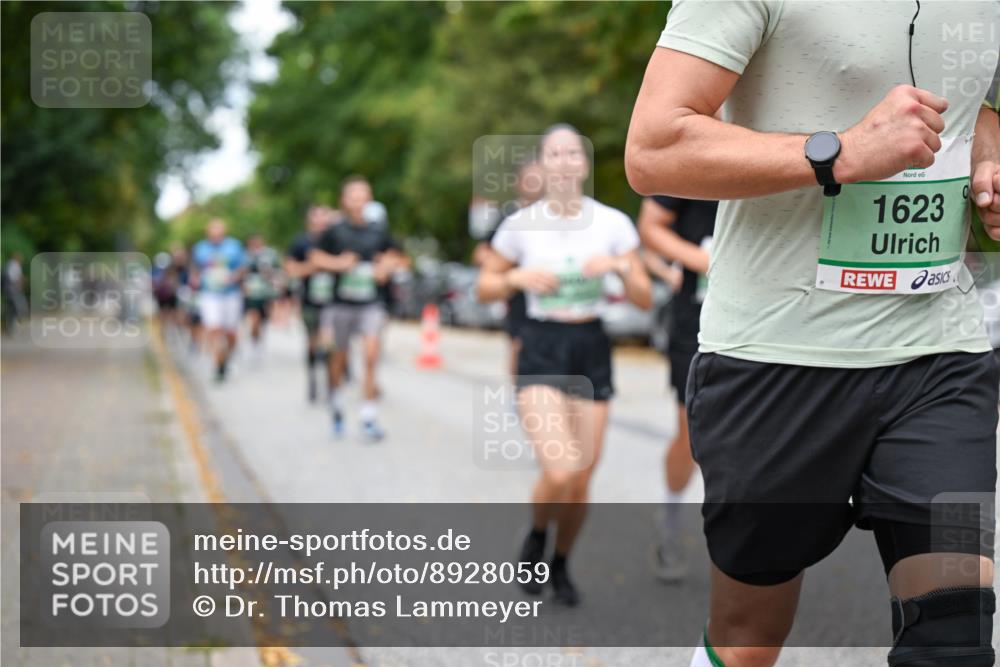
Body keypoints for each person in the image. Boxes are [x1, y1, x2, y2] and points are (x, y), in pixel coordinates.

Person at [626, 2, 1000, 665]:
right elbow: (654, 147)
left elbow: (976, 104)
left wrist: (990, 159)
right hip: (775, 354)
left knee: (955, 634)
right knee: (749, 639)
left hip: (941, 351)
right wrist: (842, 151)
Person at [478, 125, 652, 605]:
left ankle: (561, 561)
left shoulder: (613, 224)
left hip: (591, 344)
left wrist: (618, 267)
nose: (564, 162)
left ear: (584, 163)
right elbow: (484, 287)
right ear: (543, 164)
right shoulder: (519, 226)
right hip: (541, 345)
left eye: (572, 153)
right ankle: (537, 534)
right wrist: (514, 276)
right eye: (554, 154)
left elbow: (642, 295)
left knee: (580, 480)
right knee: (560, 469)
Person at [638, 194, 717, 582]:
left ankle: (740, 539)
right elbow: (650, 225)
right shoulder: (697, 145)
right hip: (696, 323)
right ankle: (670, 518)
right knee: (692, 434)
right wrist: (701, 259)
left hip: (766, 319)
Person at [310, 176, 409, 442]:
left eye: (365, 195)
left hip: (370, 304)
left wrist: (386, 266)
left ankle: (368, 417)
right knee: (338, 359)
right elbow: (315, 258)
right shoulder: (334, 230)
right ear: (344, 200)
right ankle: (337, 406)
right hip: (340, 304)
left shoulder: (378, 231)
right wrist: (338, 263)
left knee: (371, 356)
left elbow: (401, 259)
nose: (360, 200)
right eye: (354, 195)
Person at [474, 161, 546, 377]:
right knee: (519, 345)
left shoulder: (557, 216)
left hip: (548, 291)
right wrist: (508, 269)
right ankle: (518, 399)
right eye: (529, 178)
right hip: (518, 295)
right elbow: (482, 252)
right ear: (519, 183)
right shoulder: (508, 217)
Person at [286, 205, 334, 402]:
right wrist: (314, 266)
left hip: (334, 301)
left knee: (331, 342)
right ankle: (313, 375)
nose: (321, 221)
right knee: (313, 342)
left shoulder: (336, 240)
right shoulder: (300, 242)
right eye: (317, 217)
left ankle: (332, 382)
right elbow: (290, 269)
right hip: (310, 300)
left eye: (325, 217)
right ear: (310, 220)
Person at [191, 219, 246, 382]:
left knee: (230, 334)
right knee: (214, 329)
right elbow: (195, 269)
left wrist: (234, 277)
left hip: (231, 294)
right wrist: (195, 278)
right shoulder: (200, 248)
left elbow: (243, 268)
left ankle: (226, 359)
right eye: (212, 230)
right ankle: (217, 365)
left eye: (219, 230)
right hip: (210, 294)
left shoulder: (234, 246)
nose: (215, 233)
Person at [243, 233, 281, 354]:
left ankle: (259, 335)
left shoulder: (270, 255)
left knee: (264, 317)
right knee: (254, 317)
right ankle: (254, 339)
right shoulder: (246, 256)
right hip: (251, 293)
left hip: (265, 293)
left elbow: (276, 271)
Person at [2, 252, 27, 335]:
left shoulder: (12, 265)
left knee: (12, 309)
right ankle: (11, 327)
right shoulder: (13, 265)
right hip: (12, 291)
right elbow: (13, 279)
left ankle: (11, 326)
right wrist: (20, 282)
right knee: (16, 308)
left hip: (12, 291)